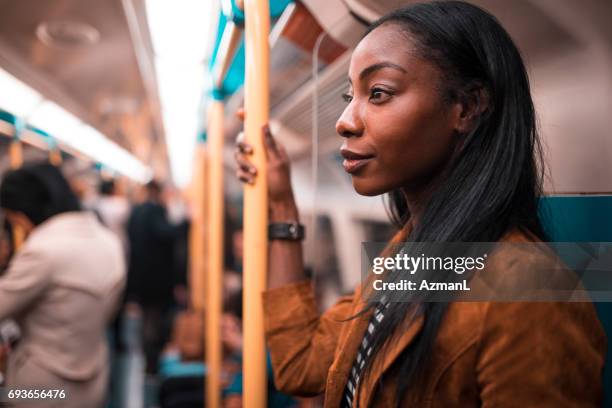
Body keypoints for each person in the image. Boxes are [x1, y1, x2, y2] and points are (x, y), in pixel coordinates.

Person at [234, 2, 606, 406]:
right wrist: (283, 206)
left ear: (466, 108)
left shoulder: (531, 292)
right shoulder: (412, 256)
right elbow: (301, 364)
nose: (344, 120)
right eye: (349, 95)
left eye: (378, 93)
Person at [0, 162, 125, 407]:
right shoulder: (109, 242)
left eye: (17, 221)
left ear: (26, 211)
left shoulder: (44, 250)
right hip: (93, 383)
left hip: (42, 391)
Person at [126, 180, 188, 374]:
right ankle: (152, 361)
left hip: (141, 275)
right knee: (155, 320)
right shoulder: (154, 211)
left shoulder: (136, 211)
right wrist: (186, 223)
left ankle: (148, 359)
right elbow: (165, 233)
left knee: (147, 318)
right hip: (156, 277)